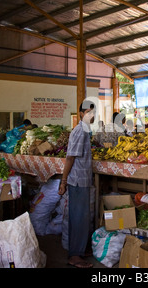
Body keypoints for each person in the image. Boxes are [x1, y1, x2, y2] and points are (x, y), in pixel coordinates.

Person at [58, 100, 95, 268]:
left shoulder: (86, 131)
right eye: (88, 112)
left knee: (82, 218)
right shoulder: (79, 131)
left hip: (83, 180)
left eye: (93, 112)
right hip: (78, 181)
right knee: (79, 218)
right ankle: (74, 256)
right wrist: (63, 181)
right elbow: (70, 158)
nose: (91, 115)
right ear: (81, 114)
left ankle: (79, 249)